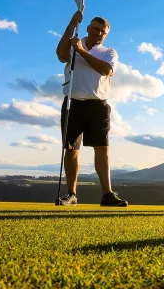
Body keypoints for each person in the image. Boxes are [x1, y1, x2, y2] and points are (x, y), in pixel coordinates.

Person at [54, 11, 128, 207]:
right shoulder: (72, 43)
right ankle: (71, 195)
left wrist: (81, 51)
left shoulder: (109, 53)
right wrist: (71, 24)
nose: (99, 33)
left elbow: (106, 70)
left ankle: (107, 194)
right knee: (71, 149)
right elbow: (61, 56)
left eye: (103, 32)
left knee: (102, 149)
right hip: (73, 102)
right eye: (95, 29)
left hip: (98, 105)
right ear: (88, 28)